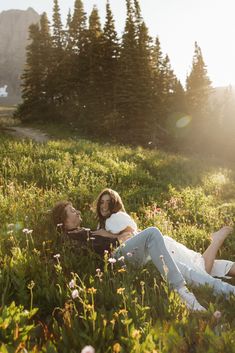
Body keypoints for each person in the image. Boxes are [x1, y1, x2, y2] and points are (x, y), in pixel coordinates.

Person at [52, 199, 208, 312]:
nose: (77, 211)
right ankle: (182, 291)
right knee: (152, 233)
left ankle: (227, 291)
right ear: (64, 222)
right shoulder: (70, 237)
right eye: (72, 211)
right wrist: (118, 240)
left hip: (119, 255)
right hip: (115, 261)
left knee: (178, 266)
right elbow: (91, 251)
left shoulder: (82, 231)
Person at [91, 188, 235, 300]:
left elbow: (130, 233)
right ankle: (217, 243)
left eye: (108, 202)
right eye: (102, 202)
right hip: (159, 245)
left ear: (114, 204)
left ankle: (216, 241)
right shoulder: (104, 223)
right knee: (201, 262)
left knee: (201, 268)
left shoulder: (115, 217)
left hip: (159, 247)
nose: (104, 206)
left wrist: (108, 234)